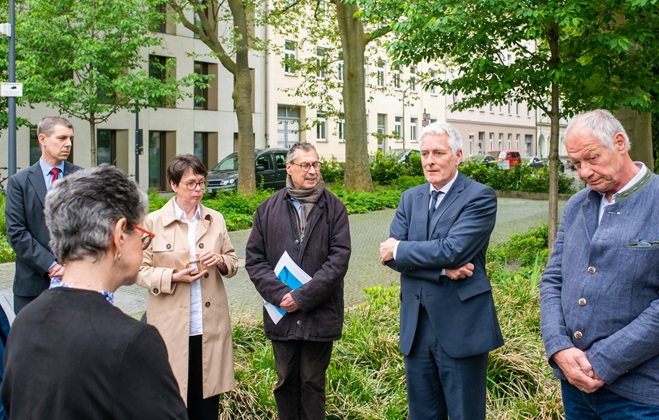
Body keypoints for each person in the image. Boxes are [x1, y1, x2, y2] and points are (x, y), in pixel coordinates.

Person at [1, 165, 188, 419]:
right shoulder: (133, 341)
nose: (144, 247)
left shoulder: (25, 320)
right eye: (143, 236)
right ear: (120, 234)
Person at [379, 122, 504, 420]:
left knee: (465, 414)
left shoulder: (479, 196)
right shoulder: (411, 198)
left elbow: (454, 250)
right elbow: (392, 259)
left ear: (458, 155)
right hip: (416, 326)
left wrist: (400, 249)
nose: (429, 161)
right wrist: (441, 272)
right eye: (424, 153)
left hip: (462, 326)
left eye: (438, 152)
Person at [540, 109, 659, 418]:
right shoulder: (578, 204)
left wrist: (605, 361)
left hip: (640, 396)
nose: (583, 172)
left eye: (592, 158)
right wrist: (559, 348)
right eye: (576, 163)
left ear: (620, 142)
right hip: (575, 387)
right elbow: (553, 280)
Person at [245, 142, 351, 420]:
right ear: (289, 168)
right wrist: (281, 296)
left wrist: (302, 297)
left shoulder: (335, 208)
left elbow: (339, 260)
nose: (312, 170)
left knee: (312, 382)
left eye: (316, 164)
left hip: (319, 314)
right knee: (286, 383)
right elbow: (255, 259)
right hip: (281, 315)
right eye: (305, 165)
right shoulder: (266, 209)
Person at [138, 154, 238, 420]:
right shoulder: (152, 222)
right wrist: (172, 276)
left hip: (209, 327)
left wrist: (220, 260)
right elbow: (138, 270)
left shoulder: (215, 219)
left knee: (206, 405)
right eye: (191, 183)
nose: (198, 190)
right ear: (174, 184)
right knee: (173, 403)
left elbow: (232, 260)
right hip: (170, 327)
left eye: (202, 183)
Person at [5, 115, 82, 314]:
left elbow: (89, 227)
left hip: (74, 282)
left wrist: (69, 265)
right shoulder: (19, 183)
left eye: (70, 138)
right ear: (42, 139)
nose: (68, 144)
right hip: (31, 286)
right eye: (62, 138)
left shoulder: (82, 178)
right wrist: (50, 265)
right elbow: (16, 232)